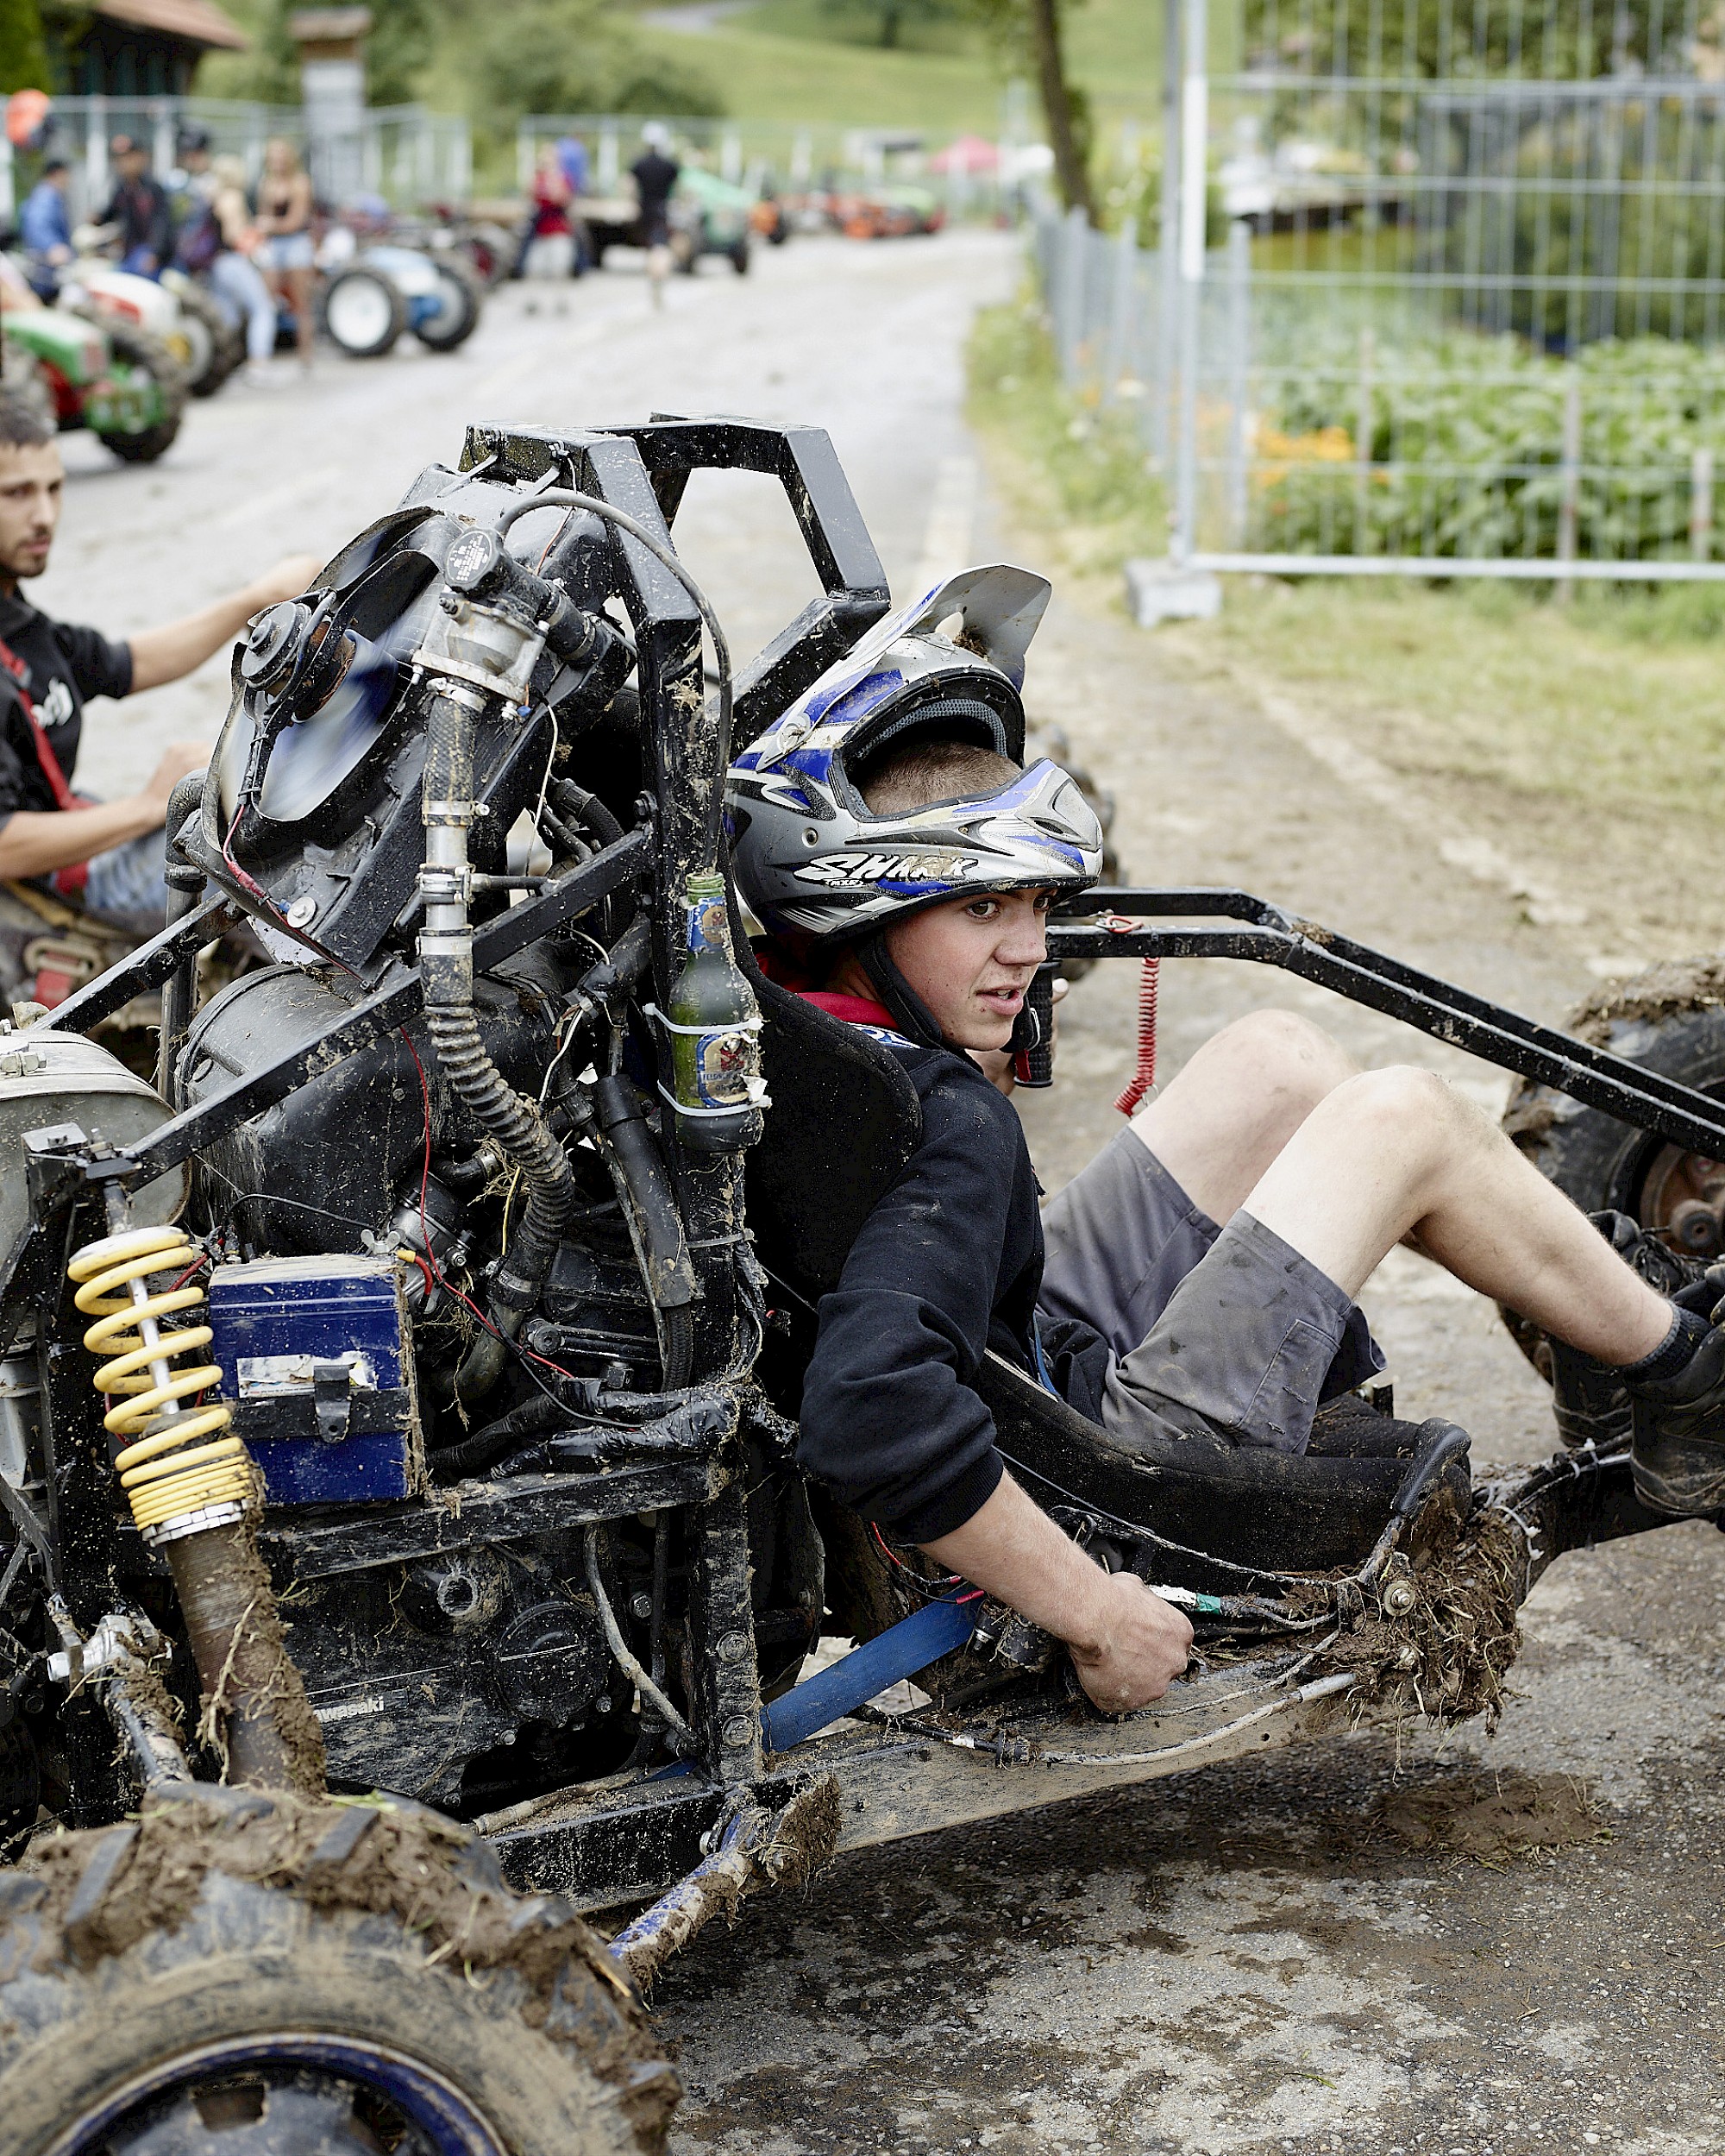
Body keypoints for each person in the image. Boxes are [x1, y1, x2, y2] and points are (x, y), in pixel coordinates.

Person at [726, 570, 1725, 1719]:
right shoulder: (945, 1118)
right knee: (1408, 1117)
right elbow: (877, 1412)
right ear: (855, 900)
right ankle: (1683, 1369)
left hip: (1025, 1368)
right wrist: (1098, 1612)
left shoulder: (778, 1021)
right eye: (981, 908)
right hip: (1089, 1492)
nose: (1029, 951)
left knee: (1279, 1055)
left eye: (1037, 906)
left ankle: (1610, 1332)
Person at [0, 393, 320, 921]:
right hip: (53, 872)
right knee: (283, 874)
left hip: (76, 820)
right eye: (18, 493)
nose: (44, 515)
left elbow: (133, 663)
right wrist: (149, 806)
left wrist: (252, 599)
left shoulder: (18, 619)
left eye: (54, 489)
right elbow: (4, 843)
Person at [203, 155, 280, 386]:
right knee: (263, 309)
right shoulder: (232, 198)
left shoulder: (212, 197)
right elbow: (233, 236)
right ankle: (259, 363)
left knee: (227, 318)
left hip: (217, 264)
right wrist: (255, 233)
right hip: (234, 262)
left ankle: (223, 364)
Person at [252, 139, 316, 372]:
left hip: (296, 241)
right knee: (265, 301)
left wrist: (271, 226)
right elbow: (263, 216)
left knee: (301, 303)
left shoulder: (300, 183)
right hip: (274, 244)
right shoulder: (266, 184)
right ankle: (262, 356)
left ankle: (305, 355)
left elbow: (295, 221)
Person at [101, 135, 172, 280]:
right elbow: (111, 212)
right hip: (130, 252)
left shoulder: (152, 189)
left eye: (129, 158)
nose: (124, 164)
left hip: (150, 253)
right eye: (120, 159)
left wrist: (156, 253)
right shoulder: (123, 188)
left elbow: (162, 224)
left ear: (141, 158)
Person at [630, 123, 681, 308]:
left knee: (651, 247)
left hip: (645, 210)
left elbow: (629, 185)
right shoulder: (669, 166)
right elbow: (677, 188)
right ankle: (658, 278)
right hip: (662, 209)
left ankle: (654, 278)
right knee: (661, 248)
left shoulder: (639, 164)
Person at [18, 158, 72, 301]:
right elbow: (36, 223)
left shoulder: (46, 194)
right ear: (58, 174)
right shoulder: (46, 195)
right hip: (45, 270)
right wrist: (52, 247)